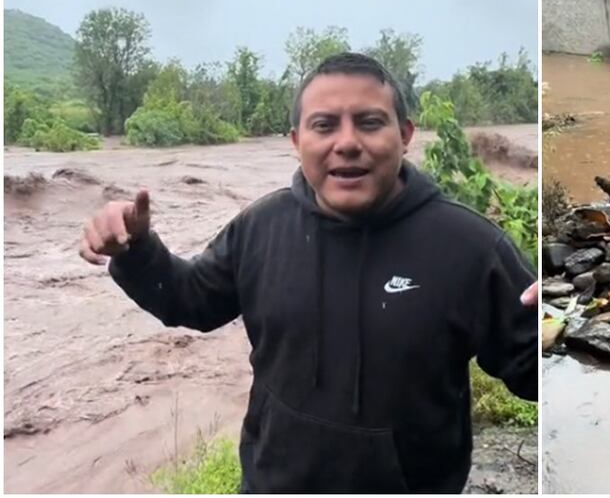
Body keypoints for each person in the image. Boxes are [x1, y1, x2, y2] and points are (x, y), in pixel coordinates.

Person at [78, 52, 539, 493]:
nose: (347, 143)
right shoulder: (262, 227)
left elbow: (532, 369)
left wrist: (565, 328)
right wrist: (137, 250)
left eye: (369, 122)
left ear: (405, 134)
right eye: (324, 125)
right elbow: (188, 300)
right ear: (297, 141)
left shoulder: (471, 247)